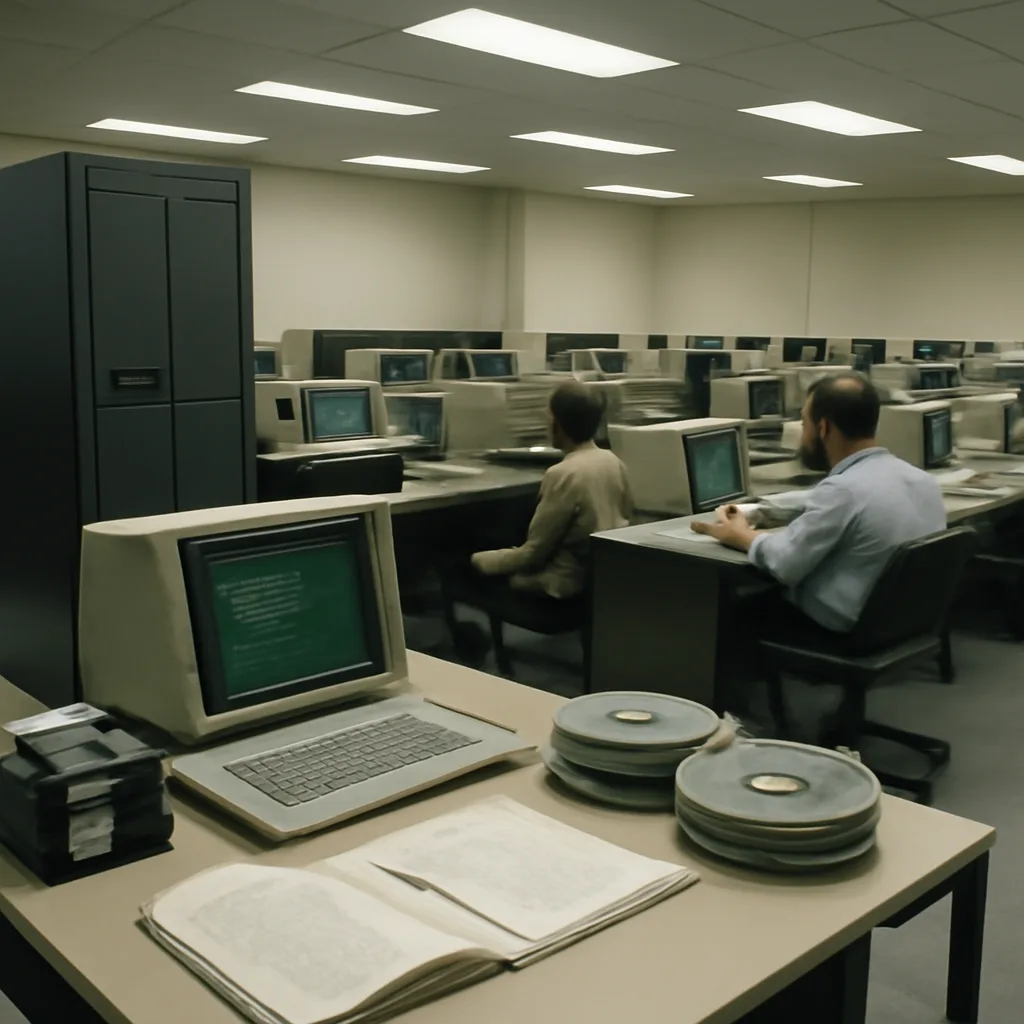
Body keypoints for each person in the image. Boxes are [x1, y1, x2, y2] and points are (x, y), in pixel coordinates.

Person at [693, 373, 946, 637]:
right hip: (905, 620)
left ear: (823, 427)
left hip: (849, 627)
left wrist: (741, 536)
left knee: (743, 603)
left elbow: (785, 563)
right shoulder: (921, 480)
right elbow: (827, 498)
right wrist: (762, 509)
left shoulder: (843, 491)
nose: (803, 434)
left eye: (804, 423)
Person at [469, 380, 633, 598]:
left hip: (559, 587)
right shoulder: (613, 461)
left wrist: (478, 559)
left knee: (461, 568)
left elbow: (532, 555)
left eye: (549, 416)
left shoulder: (562, 474)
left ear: (559, 423)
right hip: (597, 582)